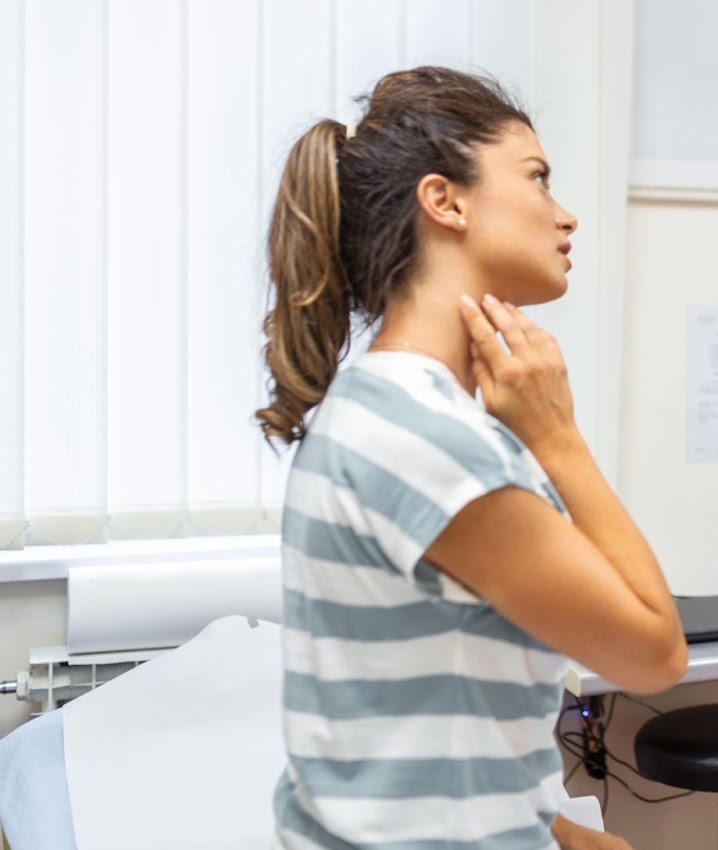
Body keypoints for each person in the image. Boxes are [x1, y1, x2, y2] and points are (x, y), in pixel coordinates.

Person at [257, 66, 686, 850]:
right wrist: (559, 439)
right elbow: (653, 654)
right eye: (538, 179)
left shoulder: (382, 411)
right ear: (444, 201)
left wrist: (556, 829)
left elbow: (419, 715)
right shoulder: (425, 437)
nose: (568, 217)